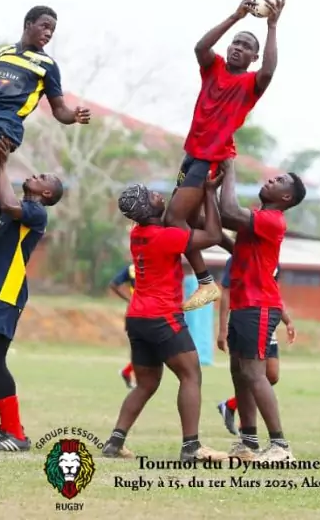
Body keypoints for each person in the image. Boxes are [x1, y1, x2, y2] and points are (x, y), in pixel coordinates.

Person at [0, 5, 91, 290]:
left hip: (6, 126)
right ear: (28, 23)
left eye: (52, 30)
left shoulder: (47, 66)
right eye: (44, 26)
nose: (48, 33)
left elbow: (58, 109)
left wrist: (73, 116)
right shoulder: (4, 53)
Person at [166, 0, 285, 312]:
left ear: (253, 58)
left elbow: (270, 72)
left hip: (211, 157)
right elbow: (200, 47)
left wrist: (272, 26)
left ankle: (206, 283)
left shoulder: (250, 84)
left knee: (172, 218)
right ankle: (242, 254)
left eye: (246, 47)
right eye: (236, 43)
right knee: (190, 221)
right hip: (192, 152)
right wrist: (237, 16)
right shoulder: (213, 67)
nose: (238, 48)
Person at [101, 177, 229, 462]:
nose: (158, 195)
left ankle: (115, 442)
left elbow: (178, 223)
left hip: (137, 317)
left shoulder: (138, 234)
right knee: (191, 375)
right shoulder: (166, 236)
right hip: (162, 316)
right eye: (151, 196)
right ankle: (191, 447)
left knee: (146, 384)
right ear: (148, 210)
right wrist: (208, 191)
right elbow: (213, 235)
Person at [218, 159, 306, 462]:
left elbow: (227, 212)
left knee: (256, 375)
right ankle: (248, 443)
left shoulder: (272, 219)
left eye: (279, 180)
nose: (271, 179)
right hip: (244, 305)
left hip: (258, 306)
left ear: (286, 198)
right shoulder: (257, 219)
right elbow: (220, 221)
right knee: (240, 373)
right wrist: (207, 189)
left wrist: (228, 168)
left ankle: (280, 446)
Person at [0, 146, 63, 452]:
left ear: (47, 194)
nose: (35, 175)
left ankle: (14, 433)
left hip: (6, 292)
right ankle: (8, 427)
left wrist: (3, 166)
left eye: (42, 178)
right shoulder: (17, 208)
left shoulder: (36, 212)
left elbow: (11, 206)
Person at [216, 257, 296, 438]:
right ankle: (253, 437)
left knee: (271, 376)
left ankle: (230, 405)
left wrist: (288, 320)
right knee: (250, 375)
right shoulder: (236, 259)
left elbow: (275, 292)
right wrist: (222, 328)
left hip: (268, 319)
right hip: (247, 318)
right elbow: (226, 292)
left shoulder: (273, 262)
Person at [109, 262, 138, 389]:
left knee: (145, 349)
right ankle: (135, 377)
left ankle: (127, 372)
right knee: (141, 349)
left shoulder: (132, 268)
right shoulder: (133, 268)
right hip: (138, 313)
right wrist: (130, 299)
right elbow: (113, 284)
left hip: (138, 312)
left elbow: (114, 284)